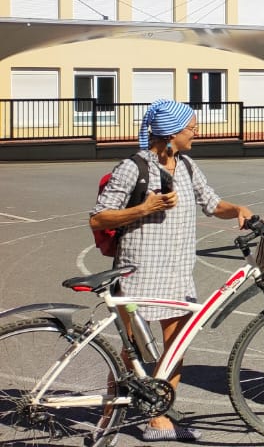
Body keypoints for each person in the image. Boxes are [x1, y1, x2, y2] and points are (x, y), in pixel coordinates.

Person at [91, 99, 254, 442]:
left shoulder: (188, 165)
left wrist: (238, 208)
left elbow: (212, 204)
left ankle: (159, 416)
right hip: (138, 272)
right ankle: (110, 413)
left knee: (175, 346)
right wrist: (144, 207)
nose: (197, 133)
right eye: (192, 128)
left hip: (178, 271)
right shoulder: (133, 168)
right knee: (130, 350)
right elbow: (99, 217)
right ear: (170, 133)